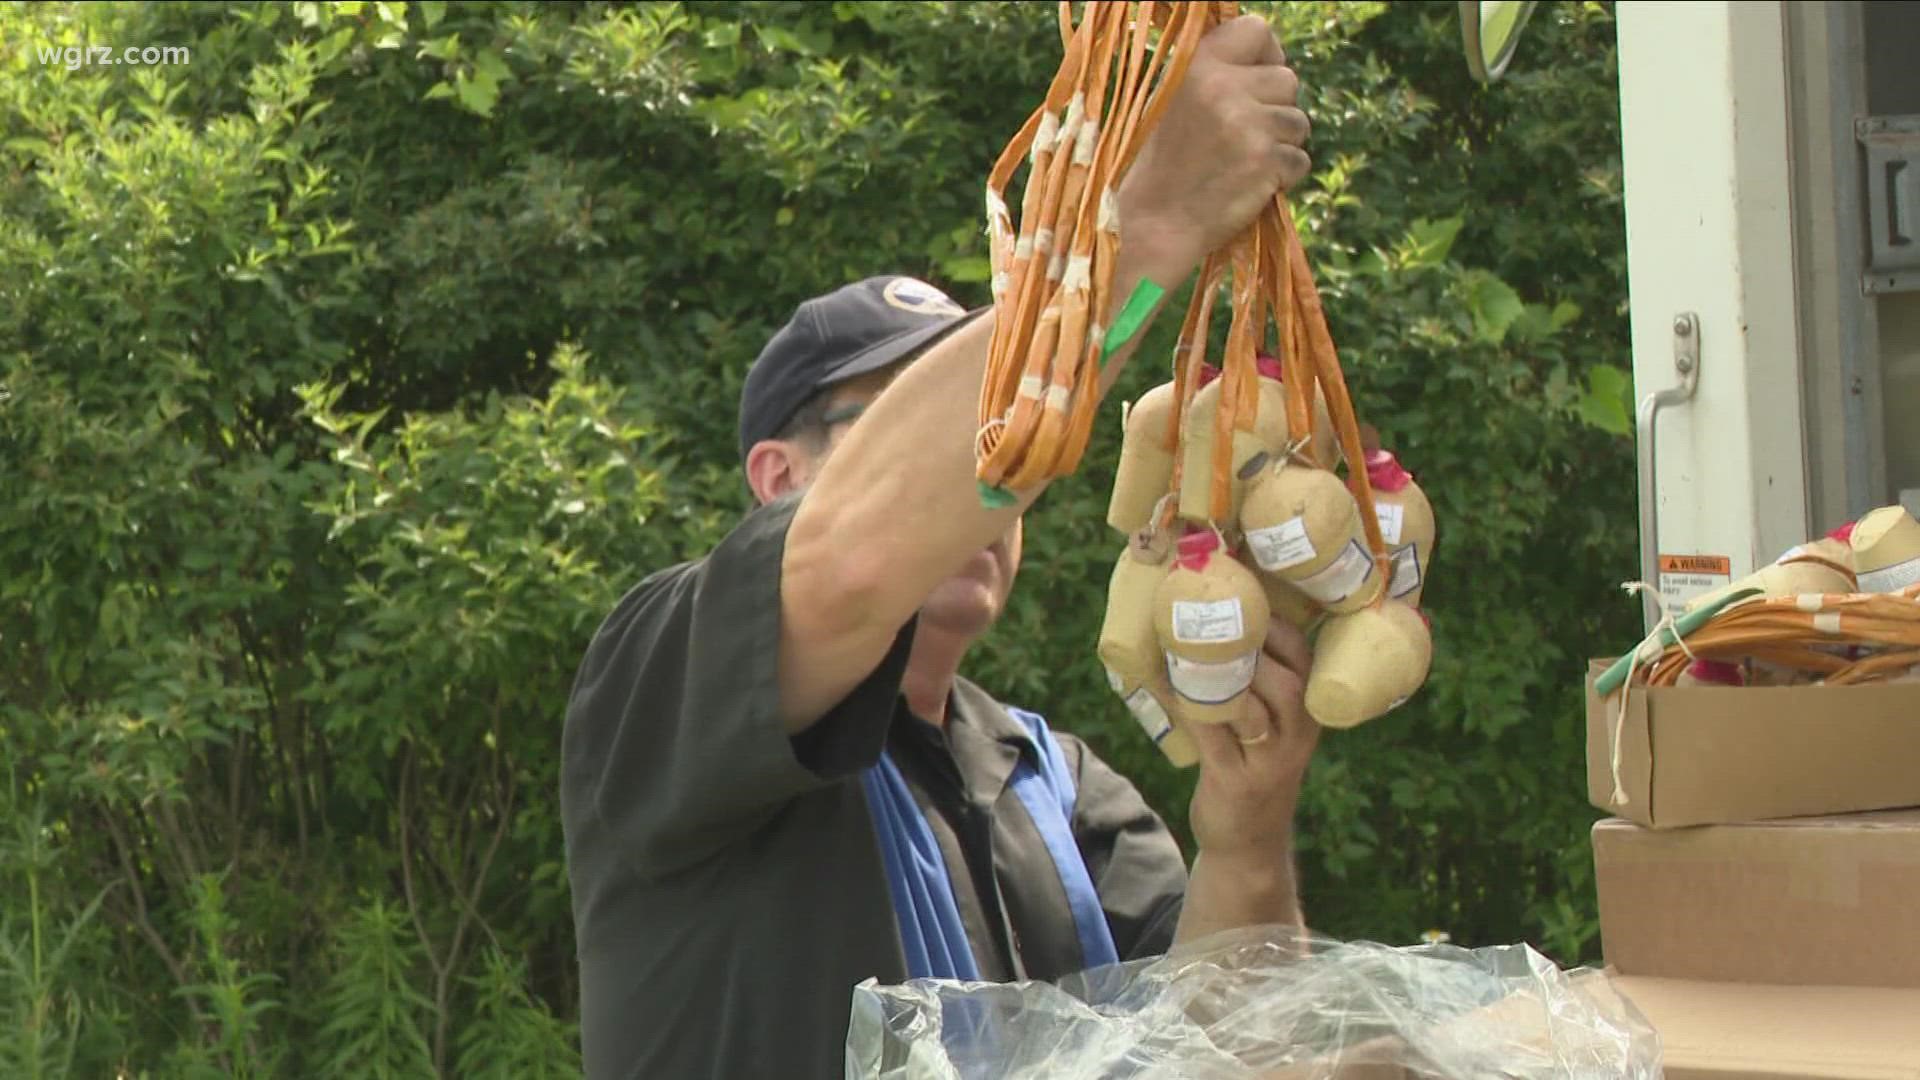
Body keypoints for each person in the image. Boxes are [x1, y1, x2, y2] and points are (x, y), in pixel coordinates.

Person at [561, 15, 1322, 1080]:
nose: (1002, 465)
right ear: (779, 480)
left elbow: (1228, 1050)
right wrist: (1144, 222)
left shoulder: (1060, 789)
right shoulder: (663, 677)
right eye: (895, 419)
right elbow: (851, 565)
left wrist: (1245, 826)